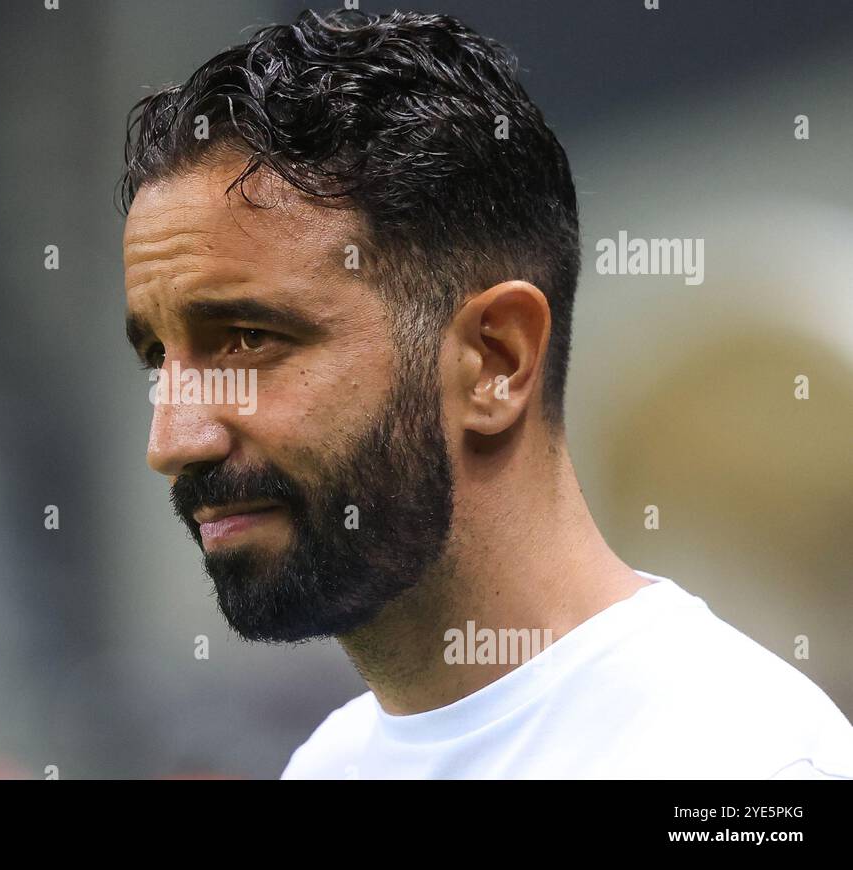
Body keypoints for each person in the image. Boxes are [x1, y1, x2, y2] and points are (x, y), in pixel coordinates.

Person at [118, 9, 853, 778]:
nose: (171, 442)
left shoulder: (746, 765)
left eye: (248, 339)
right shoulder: (326, 766)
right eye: (156, 358)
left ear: (495, 360)